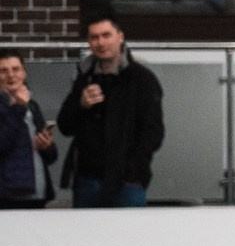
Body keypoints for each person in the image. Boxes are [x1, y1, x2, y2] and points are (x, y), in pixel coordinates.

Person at [57, 12, 165, 209]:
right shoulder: (84, 77)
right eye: (94, 37)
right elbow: (65, 126)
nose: (101, 42)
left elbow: (153, 132)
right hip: (87, 179)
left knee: (129, 237)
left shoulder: (142, 79)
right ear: (88, 42)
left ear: (120, 37)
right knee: (86, 238)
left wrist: (133, 170)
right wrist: (81, 105)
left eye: (106, 35)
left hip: (127, 182)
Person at [0, 50, 58, 208]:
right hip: (8, 196)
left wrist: (47, 146)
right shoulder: (20, 106)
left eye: (16, 69)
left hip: (37, 193)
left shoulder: (32, 105)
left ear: (24, 73)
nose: (11, 75)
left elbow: (52, 157)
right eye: (3, 71)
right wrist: (18, 108)